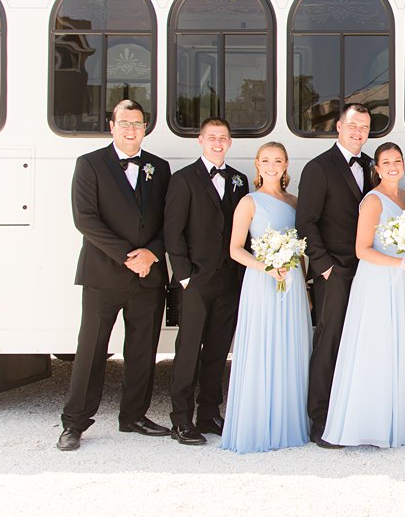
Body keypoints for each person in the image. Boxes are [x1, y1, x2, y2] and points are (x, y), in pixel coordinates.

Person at [57, 99, 170, 451]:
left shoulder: (159, 168)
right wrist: (126, 256)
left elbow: (171, 219)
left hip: (148, 275)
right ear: (112, 126)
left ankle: (133, 416)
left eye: (137, 123)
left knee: (142, 351)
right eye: (124, 122)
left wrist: (151, 252)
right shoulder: (89, 164)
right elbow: (85, 219)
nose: (131, 129)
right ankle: (74, 424)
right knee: (90, 351)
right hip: (102, 275)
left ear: (145, 127)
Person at [321, 143, 405, 448]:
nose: (393, 166)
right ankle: (360, 425)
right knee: (372, 349)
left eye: (398, 160)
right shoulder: (373, 201)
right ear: (376, 169)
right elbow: (362, 250)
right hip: (377, 281)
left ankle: (388, 421)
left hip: (400, 282)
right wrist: (400, 263)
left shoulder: (404, 197)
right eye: (386, 162)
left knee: (393, 350)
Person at [221, 142, 312, 454]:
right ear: (257, 165)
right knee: (264, 347)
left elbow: (299, 250)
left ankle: (290, 422)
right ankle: (259, 423)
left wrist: (305, 286)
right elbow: (235, 249)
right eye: (266, 161)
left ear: (286, 165)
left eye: (278, 160)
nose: (272, 166)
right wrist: (267, 267)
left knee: (292, 347)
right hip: (262, 283)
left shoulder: (296, 202)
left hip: (294, 284)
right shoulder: (249, 202)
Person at [162, 117, 248, 445]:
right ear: (200, 140)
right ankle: (181, 420)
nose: (217, 143)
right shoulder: (183, 180)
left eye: (223, 138)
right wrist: (183, 276)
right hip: (195, 281)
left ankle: (209, 413)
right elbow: (173, 231)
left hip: (229, 280)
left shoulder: (239, 180)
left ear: (229, 143)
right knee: (188, 350)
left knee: (217, 351)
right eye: (211, 137)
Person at [296, 102, 376, 441]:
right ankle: (321, 421)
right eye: (353, 125)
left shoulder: (373, 166)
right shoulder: (318, 167)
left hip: (369, 271)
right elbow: (306, 221)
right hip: (336, 271)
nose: (359, 132)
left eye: (365, 127)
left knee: (360, 344)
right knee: (329, 343)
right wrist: (324, 267)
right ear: (339, 127)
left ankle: (353, 415)